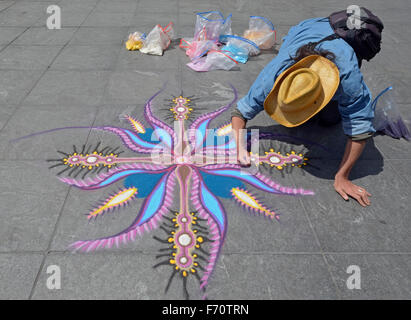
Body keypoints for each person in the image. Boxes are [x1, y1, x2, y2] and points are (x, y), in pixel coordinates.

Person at [231, 8, 384, 207]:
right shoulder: (273, 76)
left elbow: (360, 130)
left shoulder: (348, 80)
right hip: (309, 29)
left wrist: (343, 176)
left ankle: (326, 108)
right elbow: (240, 112)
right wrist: (240, 148)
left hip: (343, 48)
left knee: (330, 119)